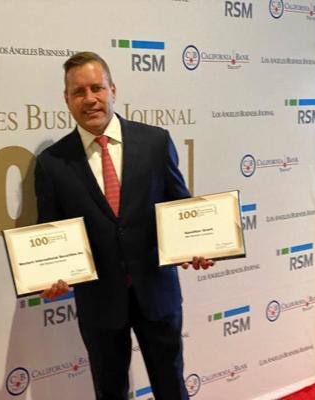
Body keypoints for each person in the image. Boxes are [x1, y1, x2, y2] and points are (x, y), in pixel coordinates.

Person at [35, 51, 214, 400]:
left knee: (171, 387)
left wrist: (197, 245)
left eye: (97, 88)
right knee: (110, 392)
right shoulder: (52, 163)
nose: (90, 99)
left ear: (113, 90)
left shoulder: (155, 142)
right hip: (99, 302)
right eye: (78, 92)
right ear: (66, 99)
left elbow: (180, 205)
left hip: (157, 291)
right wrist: (50, 274)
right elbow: (50, 230)